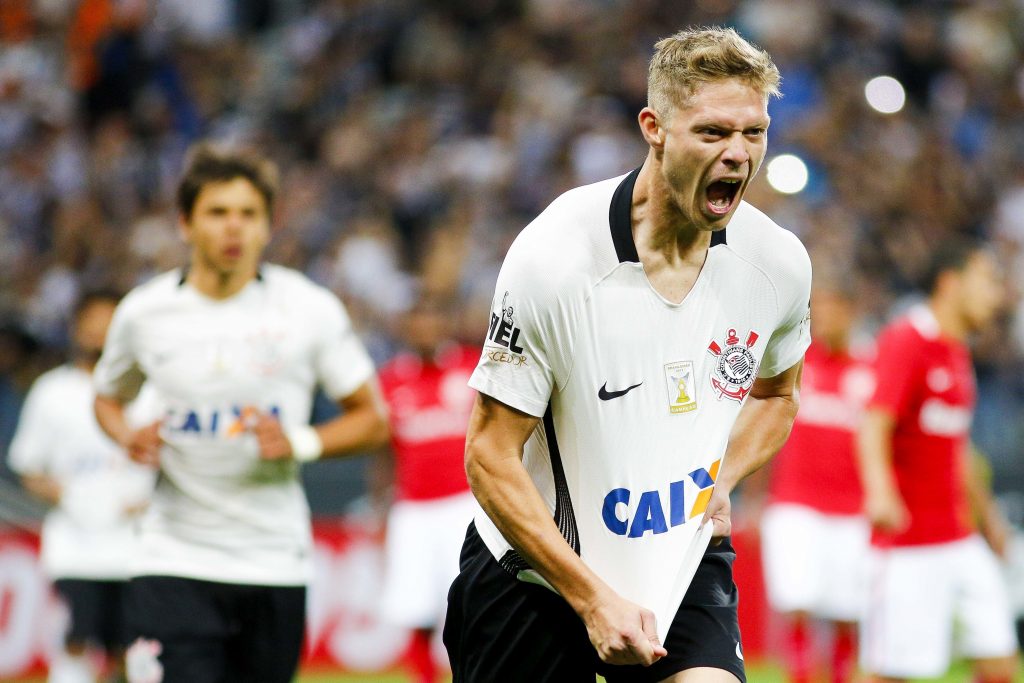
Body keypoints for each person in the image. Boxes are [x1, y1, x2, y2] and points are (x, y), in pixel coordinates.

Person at [444, 26, 811, 683]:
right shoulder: (556, 259)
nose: (738, 155)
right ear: (654, 127)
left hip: (678, 560)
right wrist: (590, 596)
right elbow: (489, 454)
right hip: (537, 573)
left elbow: (779, 395)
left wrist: (719, 480)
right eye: (713, 132)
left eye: (753, 133)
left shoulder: (776, 263)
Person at [92, 142, 390, 683]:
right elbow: (106, 397)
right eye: (218, 212)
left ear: (268, 227)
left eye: (248, 214)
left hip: (272, 561)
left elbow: (373, 418)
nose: (234, 228)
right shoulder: (144, 313)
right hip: (173, 559)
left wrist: (301, 442)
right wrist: (126, 434)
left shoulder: (308, 310)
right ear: (184, 223)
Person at [857, 239, 1018, 683]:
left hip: (959, 536)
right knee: (891, 673)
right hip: (908, 543)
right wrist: (880, 492)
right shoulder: (907, 339)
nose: (995, 293)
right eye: (986, 279)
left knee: (999, 662)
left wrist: (988, 517)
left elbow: (958, 445)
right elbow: (873, 424)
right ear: (950, 283)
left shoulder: (957, 350)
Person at [8, 290, 155, 683]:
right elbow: (28, 467)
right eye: (91, 325)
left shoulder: (151, 392)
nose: (98, 335)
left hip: (136, 547)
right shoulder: (52, 392)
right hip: (76, 545)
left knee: (133, 647)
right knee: (78, 637)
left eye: (108, 325)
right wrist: (68, 495)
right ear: (76, 329)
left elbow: (170, 462)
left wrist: (148, 498)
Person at [759, 269, 874, 683]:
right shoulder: (791, 366)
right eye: (818, 311)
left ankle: (842, 676)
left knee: (847, 611)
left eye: (833, 309)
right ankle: (802, 676)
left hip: (853, 509)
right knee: (797, 602)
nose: (826, 318)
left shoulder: (871, 370)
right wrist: (755, 495)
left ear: (851, 313)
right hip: (795, 504)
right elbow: (762, 430)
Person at [377, 295, 478, 683]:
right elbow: (384, 451)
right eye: (416, 322)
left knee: (468, 605)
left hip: (465, 503)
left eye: (432, 320)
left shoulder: (471, 368)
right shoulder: (390, 380)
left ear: (445, 325)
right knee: (413, 609)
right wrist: (379, 505)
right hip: (413, 508)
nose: (424, 330)